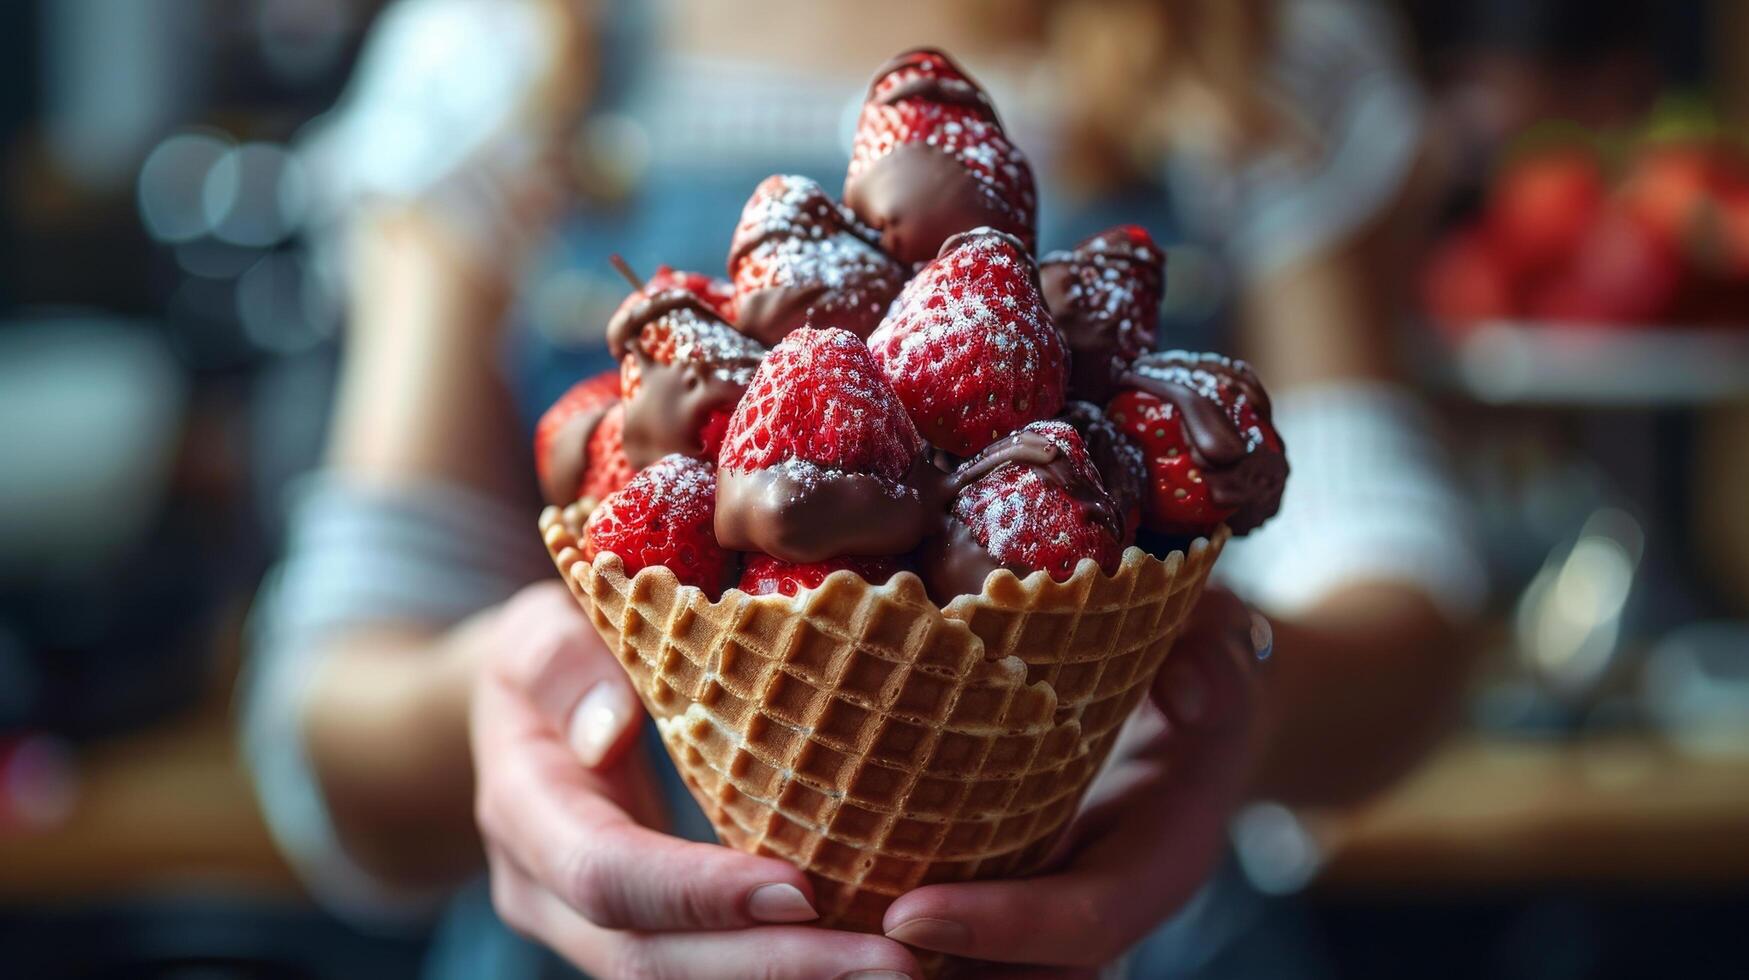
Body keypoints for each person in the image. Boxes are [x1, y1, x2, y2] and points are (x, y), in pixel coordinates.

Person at [243, 0, 1485, 976]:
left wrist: (1236, 701)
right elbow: (336, 706)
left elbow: (1405, 603)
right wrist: (499, 703)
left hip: (1149, 946)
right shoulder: (501, 48)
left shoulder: (1258, 40)